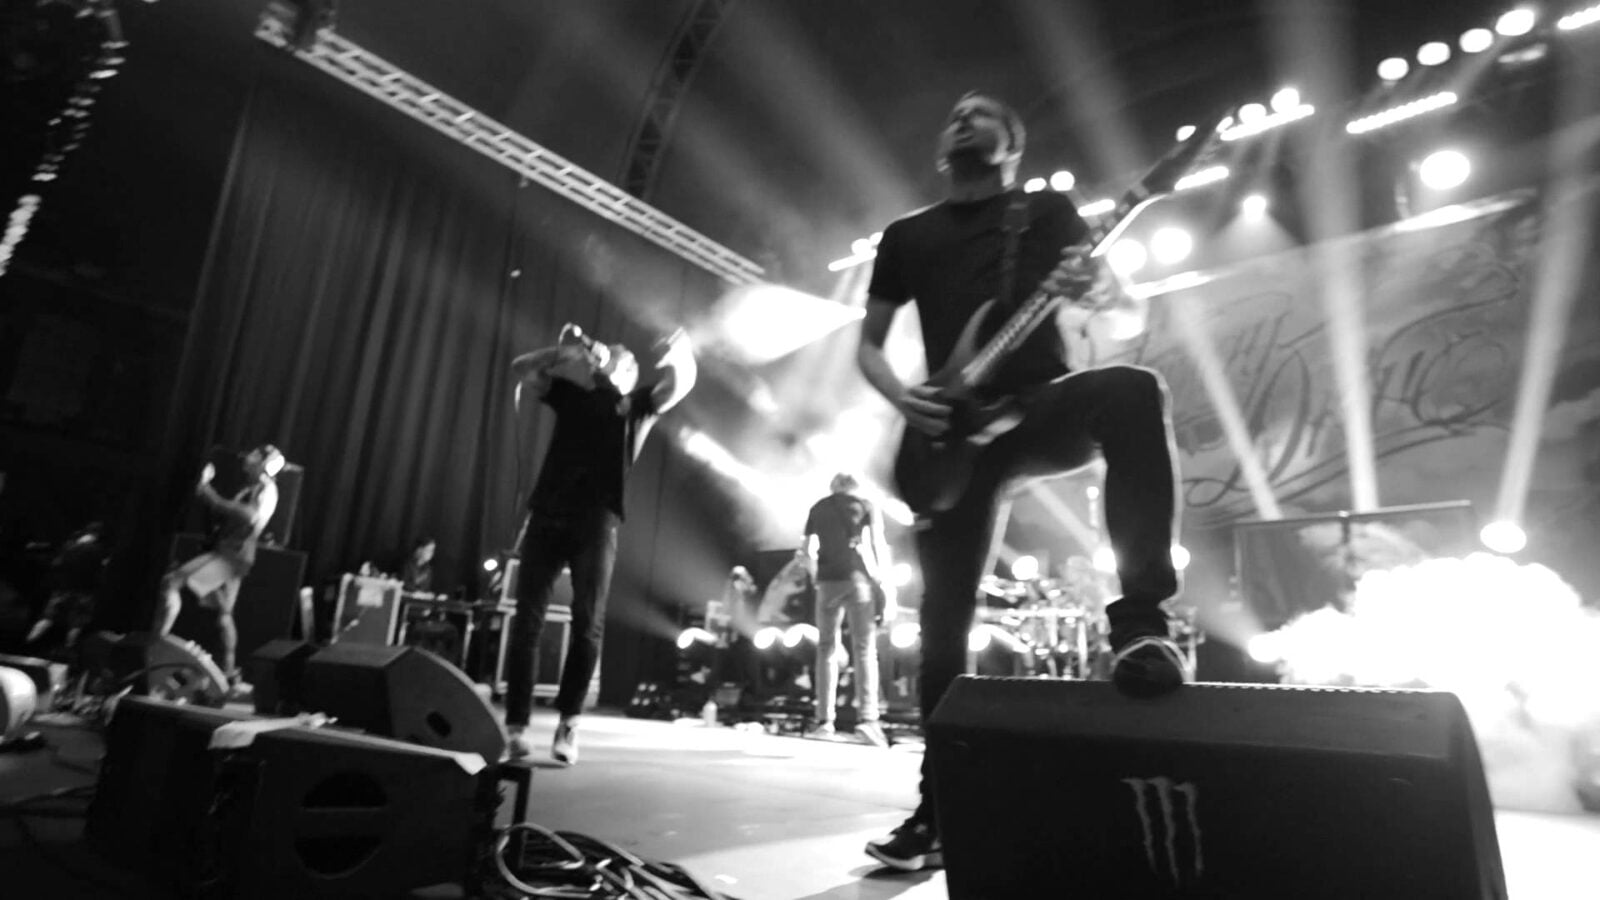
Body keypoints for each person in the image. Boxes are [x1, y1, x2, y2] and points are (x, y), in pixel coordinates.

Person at [856, 91, 1189, 871]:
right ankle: (938, 812)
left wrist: (1105, 291)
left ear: (1012, 144)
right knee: (943, 627)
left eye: (982, 113)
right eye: (953, 113)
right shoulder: (907, 237)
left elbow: (1126, 315)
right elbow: (869, 345)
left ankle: (1140, 622)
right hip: (951, 433)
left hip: (1040, 408)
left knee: (1133, 390)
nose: (961, 117)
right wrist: (902, 396)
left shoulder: (1044, 212)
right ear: (942, 148)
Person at [505, 323, 696, 764]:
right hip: (547, 515)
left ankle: (569, 723)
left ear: (629, 373)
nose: (610, 355)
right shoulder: (572, 396)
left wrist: (679, 353)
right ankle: (515, 727)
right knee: (527, 621)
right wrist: (565, 352)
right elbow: (521, 368)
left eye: (620, 356)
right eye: (608, 353)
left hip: (596, 521)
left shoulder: (637, 406)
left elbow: (678, 385)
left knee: (587, 622)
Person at [155, 445, 284, 680]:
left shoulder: (267, 489)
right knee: (224, 615)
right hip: (230, 553)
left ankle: (156, 645)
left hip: (232, 557)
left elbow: (250, 516)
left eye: (255, 454)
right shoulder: (252, 488)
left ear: (264, 463)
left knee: (171, 583)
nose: (248, 456)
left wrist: (209, 493)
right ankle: (229, 670)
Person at [800, 473, 890, 747]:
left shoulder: (818, 507)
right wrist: (883, 585)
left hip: (827, 583)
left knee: (826, 648)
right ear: (854, 487)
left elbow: (807, 550)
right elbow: (876, 544)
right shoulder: (866, 505)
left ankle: (824, 721)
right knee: (864, 649)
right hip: (858, 581)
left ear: (833, 487)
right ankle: (868, 721)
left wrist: (816, 578)